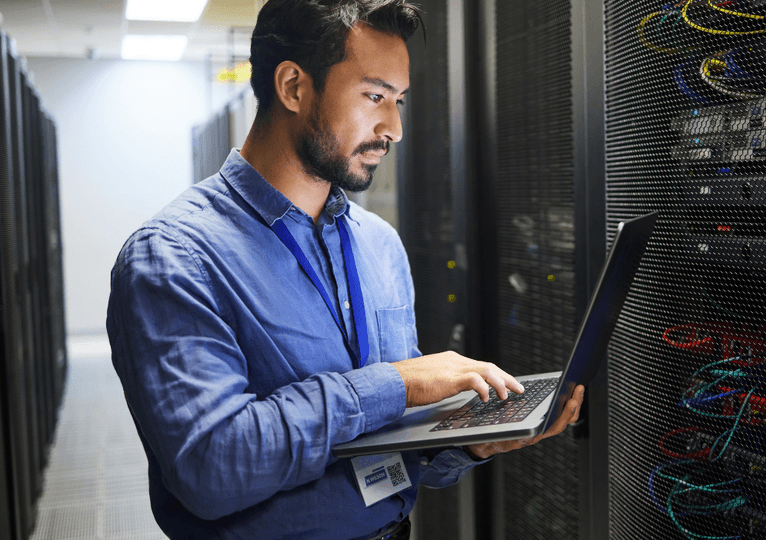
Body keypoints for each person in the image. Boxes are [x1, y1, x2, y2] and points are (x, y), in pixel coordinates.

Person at [106, 1, 585, 539]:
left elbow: (393, 437)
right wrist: (396, 384)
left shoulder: (379, 243)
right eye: (375, 96)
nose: (396, 127)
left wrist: (468, 443)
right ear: (292, 87)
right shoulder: (174, 257)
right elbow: (212, 468)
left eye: (399, 101)